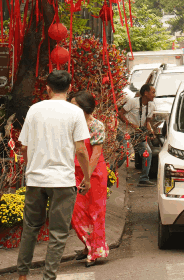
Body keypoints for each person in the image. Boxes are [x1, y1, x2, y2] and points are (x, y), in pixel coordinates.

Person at [17, 70, 91, 280]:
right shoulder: (75, 113)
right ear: (69, 89)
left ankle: (22, 275)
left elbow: (24, 146)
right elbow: (81, 150)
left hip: (36, 179)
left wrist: (30, 167)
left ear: (47, 88)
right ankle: (48, 277)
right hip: (63, 180)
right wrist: (86, 177)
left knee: (30, 228)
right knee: (58, 234)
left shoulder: (34, 110)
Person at [69, 91, 109, 267]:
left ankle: (95, 252)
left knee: (95, 212)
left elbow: (95, 154)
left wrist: (86, 176)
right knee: (76, 211)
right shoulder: (70, 124)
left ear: (85, 107)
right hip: (73, 173)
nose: (71, 108)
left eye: (74, 105)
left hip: (94, 174)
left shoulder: (96, 125)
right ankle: (88, 244)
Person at [118, 82, 156, 186]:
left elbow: (147, 122)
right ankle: (110, 173)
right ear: (145, 93)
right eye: (153, 92)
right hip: (124, 131)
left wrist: (151, 131)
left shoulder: (151, 106)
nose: (154, 95)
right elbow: (120, 113)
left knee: (147, 153)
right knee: (125, 153)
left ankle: (144, 179)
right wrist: (131, 124)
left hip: (137, 133)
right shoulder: (133, 102)